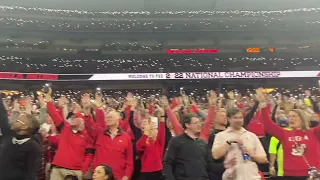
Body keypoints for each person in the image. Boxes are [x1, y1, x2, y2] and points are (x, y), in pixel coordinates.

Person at [257, 88, 320, 180]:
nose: (290, 119)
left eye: (294, 116)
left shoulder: (314, 132)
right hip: (289, 175)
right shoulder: (284, 133)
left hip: (310, 175)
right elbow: (267, 125)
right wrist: (262, 104)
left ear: (302, 118)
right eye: (289, 116)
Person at [44, 89, 94, 180]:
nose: (72, 118)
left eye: (76, 117)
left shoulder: (87, 135)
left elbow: (89, 155)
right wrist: (48, 98)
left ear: (82, 121)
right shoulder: (65, 127)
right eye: (72, 116)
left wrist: (82, 171)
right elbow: (53, 113)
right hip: (57, 170)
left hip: (75, 172)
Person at [83, 94, 133, 180]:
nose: (108, 118)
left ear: (118, 118)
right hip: (99, 177)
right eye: (107, 117)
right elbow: (89, 126)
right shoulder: (99, 133)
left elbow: (129, 160)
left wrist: (126, 176)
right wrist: (87, 112)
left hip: (118, 177)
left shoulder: (126, 137)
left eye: (111, 116)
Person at [212, 107, 267, 180]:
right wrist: (229, 142)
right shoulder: (221, 136)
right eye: (235, 118)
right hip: (232, 177)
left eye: (241, 118)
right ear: (228, 119)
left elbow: (263, 159)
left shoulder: (252, 136)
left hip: (252, 177)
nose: (239, 120)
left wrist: (252, 155)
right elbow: (215, 155)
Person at [0, 99, 41, 180]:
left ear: (24, 127)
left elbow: (31, 173)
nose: (15, 121)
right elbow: (2, 116)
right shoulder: (9, 135)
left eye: (18, 120)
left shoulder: (33, 147)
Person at [163, 113, 210, 180]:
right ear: (187, 125)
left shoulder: (203, 143)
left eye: (199, 122)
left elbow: (208, 163)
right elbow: (167, 163)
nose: (199, 125)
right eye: (196, 123)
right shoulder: (176, 141)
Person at [136, 105, 165, 180]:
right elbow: (139, 147)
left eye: (147, 123)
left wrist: (162, 115)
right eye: (143, 123)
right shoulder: (141, 140)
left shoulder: (158, 141)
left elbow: (162, 130)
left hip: (158, 171)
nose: (145, 124)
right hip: (145, 172)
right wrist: (146, 133)